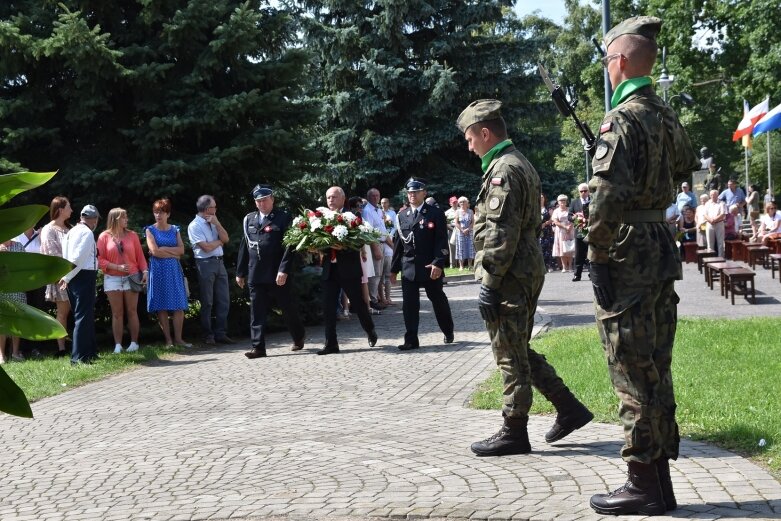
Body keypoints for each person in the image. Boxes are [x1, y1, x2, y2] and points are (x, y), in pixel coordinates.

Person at [586, 16, 700, 515]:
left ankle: (642, 482)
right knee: (656, 364)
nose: (607, 69)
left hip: (628, 249)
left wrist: (596, 251)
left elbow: (608, 194)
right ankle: (659, 479)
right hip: (659, 241)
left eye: (608, 60)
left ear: (621, 62)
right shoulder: (666, 114)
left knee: (629, 367)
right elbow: (681, 169)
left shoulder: (622, 118)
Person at [456, 99, 592, 457]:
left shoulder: (505, 169)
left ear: (485, 133)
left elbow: (501, 234)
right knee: (517, 346)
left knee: (508, 353)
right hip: (522, 268)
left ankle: (514, 431)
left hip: (511, 272)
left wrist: (489, 282)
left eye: (470, 138)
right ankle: (569, 408)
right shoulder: (515, 162)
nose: (469, 145)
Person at [236, 185, 305, 358]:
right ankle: (258, 347)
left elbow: (290, 247)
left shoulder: (283, 218)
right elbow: (245, 246)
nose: (262, 204)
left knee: (287, 308)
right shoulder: (249, 219)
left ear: (272, 199)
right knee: (257, 311)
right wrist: (240, 271)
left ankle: (298, 337)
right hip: (256, 273)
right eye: (258, 201)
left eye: (265, 200)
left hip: (277, 273)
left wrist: (284, 270)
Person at [391, 178, 454, 350]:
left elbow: (441, 241)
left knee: (438, 300)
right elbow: (399, 244)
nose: (412, 195)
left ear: (424, 193)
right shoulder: (402, 215)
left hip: (429, 267)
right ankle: (411, 340)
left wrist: (438, 263)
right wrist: (393, 269)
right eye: (409, 192)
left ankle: (448, 330)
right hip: (409, 267)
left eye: (416, 192)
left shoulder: (434, 213)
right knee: (410, 305)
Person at [318, 186, 377, 355]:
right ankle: (331, 344)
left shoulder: (353, 217)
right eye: (328, 197)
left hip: (349, 269)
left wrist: (343, 246)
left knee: (358, 304)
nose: (331, 200)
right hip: (330, 269)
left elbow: (360, 241)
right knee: (328, 307)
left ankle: (370, 329)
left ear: (343, 199)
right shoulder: (321, 218)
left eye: (334, 197)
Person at [97, 208, 148, 354]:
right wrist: (116, 267)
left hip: (131, 277)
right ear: (115, 219)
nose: (127, 220)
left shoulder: (132, 235)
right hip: (112, 278)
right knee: (117, 313)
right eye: (124, 217)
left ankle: (134, 343)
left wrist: (145, 271)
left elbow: (140, 257)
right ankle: (118, 345)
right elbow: (99, 259)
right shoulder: (104, 236)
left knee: (132, 311)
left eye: (126, 217)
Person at [188, 195, 233, 345]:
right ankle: (208, 335)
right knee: (207, 301)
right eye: (214, 207)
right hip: (205, 264)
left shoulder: (214, 222)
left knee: (224, 299)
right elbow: (206, 248)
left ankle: (221, 333)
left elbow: (226, 238)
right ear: (207, 209)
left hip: (220, 263)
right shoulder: (194, 225)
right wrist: (219, 242)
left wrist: (218, 224)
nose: (216, 209)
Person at [145, 199, 191, 349]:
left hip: (174, 271)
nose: (158, 215)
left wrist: (164, 249)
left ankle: (179, 339)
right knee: (161, 305)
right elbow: (154, 251)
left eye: (162, 212)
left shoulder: (175, 229)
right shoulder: (149, 230)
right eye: (156, 212)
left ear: (168, 214)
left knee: (179, 304)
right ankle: (168, 341)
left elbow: (182, 250)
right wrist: (172, 253)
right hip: (158, 271)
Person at [59, 205, 101, 365]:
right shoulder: (87, 233)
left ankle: (90, 352)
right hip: (82, 275)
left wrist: (66, 275)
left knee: (85, 315)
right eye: (96, 219)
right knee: (83, 316)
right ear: (93, 219)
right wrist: (67, 277)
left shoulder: (71, 231)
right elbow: (79, 258)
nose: (96, 222)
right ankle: (78, 357)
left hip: (73, 275)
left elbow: (66, 256)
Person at [40, 196, 73, 356]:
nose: (71, 210)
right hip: (60, 277)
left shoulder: (69, 228)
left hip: (73, 275)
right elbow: (51, 254)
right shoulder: (49, 229)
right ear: (60, 210)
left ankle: (76, 342)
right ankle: (61, 348)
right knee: (63, 312)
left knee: (75, 310)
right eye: (69, 207)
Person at [0, 238, 27, 362]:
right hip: (2, 289)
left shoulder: (19, 246)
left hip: (17, 288)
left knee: (18, 321)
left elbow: (24, 266)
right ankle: (1, 355)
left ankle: (15, 353)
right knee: (2, 322)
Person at [363, 188, 388, 311]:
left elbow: (382, 228)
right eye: (373, 196)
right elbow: (369, 231)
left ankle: (376, 297)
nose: (376, 198)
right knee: (375, 274)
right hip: (375, 244)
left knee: (380, 273)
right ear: (368, 197)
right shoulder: (367, 211)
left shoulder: (378, 210)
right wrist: (375, 248)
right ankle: (373, 300)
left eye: (377, 195)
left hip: (383, 243)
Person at [569, 184, 591, 281]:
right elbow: (569, 216)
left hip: (591, 231)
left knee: (591, 253)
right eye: (581, 191)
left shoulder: (593, 201)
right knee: (579, 254)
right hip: (579, 231)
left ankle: (592, 274)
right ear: (579, 192)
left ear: (588, 191)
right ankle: (577, 274)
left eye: (585, 191)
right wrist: (575, 218)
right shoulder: (574, 202)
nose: (583, 193)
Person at [379, 197, 397, 306]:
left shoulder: (392, 213)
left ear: (388, 203)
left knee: (388, 273)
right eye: (381, 203)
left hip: (390, 241)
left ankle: (388, 297)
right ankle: (382, 298)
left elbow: (395, 226)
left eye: (385, 202)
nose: (383, 204)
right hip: (382, 243)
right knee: (380, 275)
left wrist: (390, 235)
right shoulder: (378, 213)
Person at [551, 194, 575, 272]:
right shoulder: (556, 211)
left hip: (570, 230)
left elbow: (574, 219)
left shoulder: (569, 209)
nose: (562, 202)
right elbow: (555, 221)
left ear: (566, 201)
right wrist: (565, 227)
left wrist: (570, 227)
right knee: (562, 249)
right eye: (561, 200)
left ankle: (570, 266)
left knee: (569, 248)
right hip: (560, 231)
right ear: (558, 202)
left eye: (564, 200)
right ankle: (564, 267)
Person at [454, 196, 476, 270]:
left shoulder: (470, 211)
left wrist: (468, 229)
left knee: (470, 248)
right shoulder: (457, 211)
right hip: (460, 232)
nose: (462, 203)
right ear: (459, 204)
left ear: (467, 203)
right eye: (460, 202)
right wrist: (462, 230)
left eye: (464, 201)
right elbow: (456, 222)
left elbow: (473, 222)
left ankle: (470, 265)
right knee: (461, 248)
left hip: (469, 232)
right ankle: (461, 266)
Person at [704, 189, 726, 257]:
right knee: (710, 243)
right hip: (709, 224)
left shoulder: (722, 203)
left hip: (719, 224)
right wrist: (711, 220)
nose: (713, 196)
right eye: (711, 195)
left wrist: (714, 220)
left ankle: (721, 258)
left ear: (717, 195)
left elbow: (722, 214)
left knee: (720, 242)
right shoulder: (707, 203)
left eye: (714, 194)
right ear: (710, 195)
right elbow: (705, 214)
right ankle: (711, 258)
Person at [539, 194, 557, 272]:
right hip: (538, 230)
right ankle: (540, 266)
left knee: (548, 248)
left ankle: (549, 265)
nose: (541, 199)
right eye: (539, 197)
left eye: (542, 197)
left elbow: (552, 219)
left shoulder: (548, 209)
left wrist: (545, 223)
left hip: (547, 230)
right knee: (539, 248)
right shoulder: (534, 209)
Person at [445, 196, 459, 269]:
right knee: (452, 248)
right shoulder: (447, 213)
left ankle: (460, 264)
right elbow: (445, 224)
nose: (455, 203)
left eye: (456, 202)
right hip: (451, 230)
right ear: (450, 203)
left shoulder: (461, 210)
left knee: (461, 247)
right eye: (453, 202)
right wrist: (452, 229)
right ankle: (452, 265)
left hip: (460, 230)